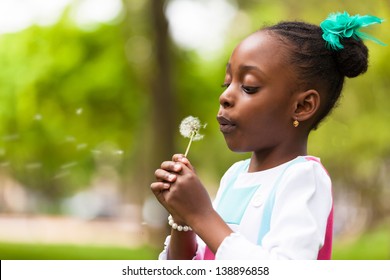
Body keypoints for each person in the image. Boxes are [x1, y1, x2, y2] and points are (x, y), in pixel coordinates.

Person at [150, 12, 384, 260]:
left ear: (302, 107)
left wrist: (201, 214)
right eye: (226, 84)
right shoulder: (233, 177)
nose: (225, 97)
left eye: (248, 87)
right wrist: (183, 219)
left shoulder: (304, 179)